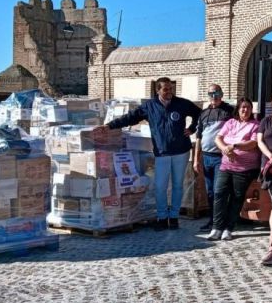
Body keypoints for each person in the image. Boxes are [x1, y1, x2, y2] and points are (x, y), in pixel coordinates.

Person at [103, 77, 200, 230]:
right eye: (165, 89)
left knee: (177, 185)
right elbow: (131, 118)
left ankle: (174, 217)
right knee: (160, 186)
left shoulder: (181, 103)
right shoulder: (150, 106)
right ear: (158, 90)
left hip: (181, 151)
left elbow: (199, 113)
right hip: (162, 152)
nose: (169, 92)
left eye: (171, 88)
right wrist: (110, 126)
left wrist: (193, 128)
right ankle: (162, 217)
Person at [208, 98, 261, 241]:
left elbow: (253, 143)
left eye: (248, 107)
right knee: (219, 193)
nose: (245, 110)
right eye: (243, 107)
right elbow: (218, 138)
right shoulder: (230, 123)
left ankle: (228, 228)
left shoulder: (255, 125)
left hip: (244, 168)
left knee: (236, 197)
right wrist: (225, 148)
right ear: (238, 109)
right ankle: (216, 227)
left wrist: (235, 146)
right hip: (226, 166)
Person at [194, 84, 234, 232]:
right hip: (206, 157)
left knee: (219, 191)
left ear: (222, 94)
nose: (214, 96)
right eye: (211, 93)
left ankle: (220, 222)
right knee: (210, 191)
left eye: (217, 93)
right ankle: (212, 220)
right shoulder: (203, 113)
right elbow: (198, 137)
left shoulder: (229, 111)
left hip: (221, 157)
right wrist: (196, 159)